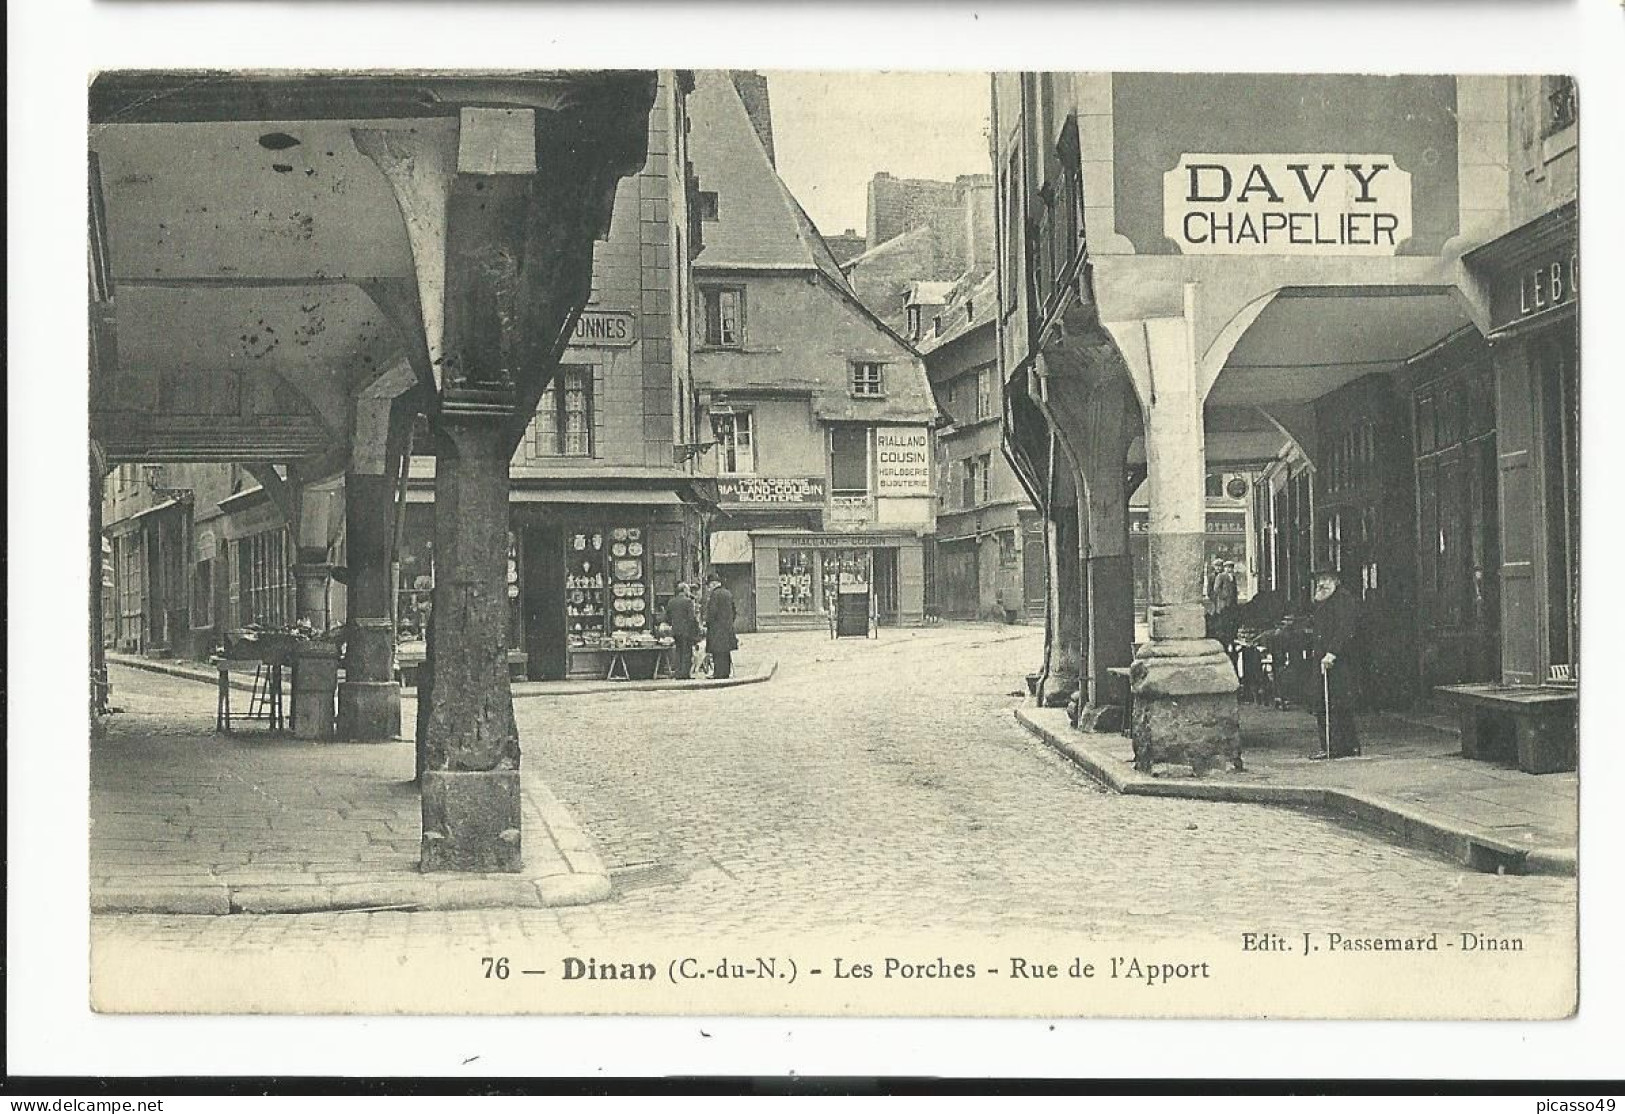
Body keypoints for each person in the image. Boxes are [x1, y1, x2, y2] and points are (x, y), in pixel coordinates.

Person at [1308, 569, 1362, 759]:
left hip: (1338, 660)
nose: (1321, 583)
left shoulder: (1343, 600)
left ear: (1336, 581)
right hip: (1325, 658)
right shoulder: (1323, 600)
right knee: (1328, 701)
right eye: (1319, 580)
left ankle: (1336, 746)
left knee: (1335, 703)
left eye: (1326, 579)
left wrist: (1332, 653)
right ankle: (1342, 745)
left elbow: (1345, 629)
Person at [702, 571, 739, 680]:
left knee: (717, 652)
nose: (708, 589)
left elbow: (712, 612)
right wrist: (729, 622)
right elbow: (734, 611)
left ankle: (718, 673)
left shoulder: (715, 595)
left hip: (716, 628)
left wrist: (707, 622)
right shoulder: (728, 593)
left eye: (709, 586)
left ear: (713, 584)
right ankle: (726, 672)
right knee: (725, 651)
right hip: (727, 628)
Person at [664, 582, 701, 680]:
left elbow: (667, 617)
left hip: (676, 631)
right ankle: (685, 674)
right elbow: (691, 618)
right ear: (684, 590)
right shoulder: (688, 602)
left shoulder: (671, 602)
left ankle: (678, 672)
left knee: (678, 651)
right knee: (686, 652)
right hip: (686, 631)